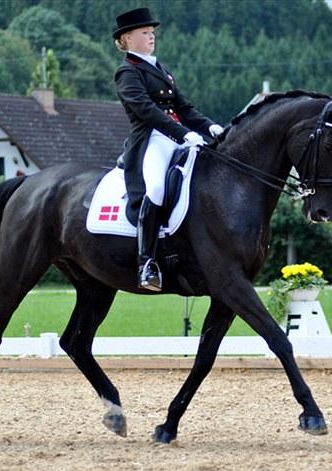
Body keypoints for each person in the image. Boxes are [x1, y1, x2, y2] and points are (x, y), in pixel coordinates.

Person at [113, 7, 224, 292]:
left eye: (152, 33)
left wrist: (209, 127)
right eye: (145, 33)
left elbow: (183, 108)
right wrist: (184, 133)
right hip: (151, 139)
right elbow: (147, 111)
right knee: (157, 190)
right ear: (127, 38)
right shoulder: (127, 72)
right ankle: (146, 263)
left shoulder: (160, 69)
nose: (151, 37)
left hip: (177, 137)